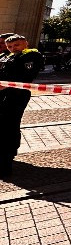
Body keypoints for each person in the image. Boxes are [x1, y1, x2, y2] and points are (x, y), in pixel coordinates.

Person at [0, 34, 40, 178]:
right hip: (2, 95)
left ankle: (6, 163)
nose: (13, 49)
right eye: (10, 46)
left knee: (9, 126)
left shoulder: (31, 56)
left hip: (16, 96)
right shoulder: (6, 56)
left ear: (25, 44)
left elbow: (26, 77)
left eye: (16, 45)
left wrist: (6, 85)